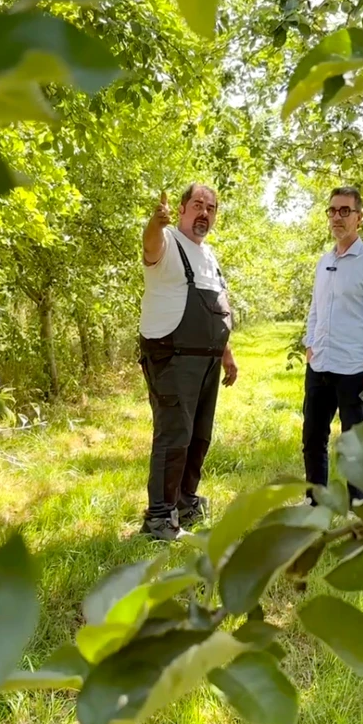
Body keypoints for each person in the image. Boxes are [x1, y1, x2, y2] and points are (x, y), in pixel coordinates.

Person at [138, 182, 238, 541]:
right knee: (173, 436)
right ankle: (160, 517)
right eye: (197, 205)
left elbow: (218, 306)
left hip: (207, 362)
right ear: (181, 209)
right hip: (173, 359)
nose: (204, 213)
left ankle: (184, 501)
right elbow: (150, 245)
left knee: (199, 436)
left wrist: (226, 353)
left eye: (211, 208)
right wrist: (155, 223)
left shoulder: (208, 254)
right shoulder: (167, 243)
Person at [303, 186, 363, 503]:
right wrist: (309, 345)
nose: (337, 217)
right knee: (313, 438)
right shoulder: (324, 262)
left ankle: (359, 503)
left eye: (345, 211)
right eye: (332, 211)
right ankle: (315, 499)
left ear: (359, 217)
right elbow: (315, 309)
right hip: (320, 364)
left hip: (354, 368)